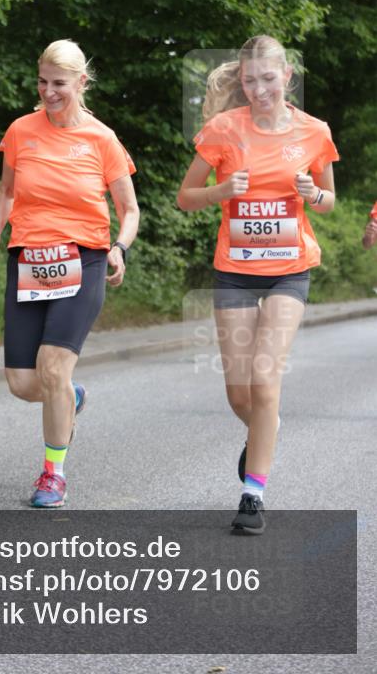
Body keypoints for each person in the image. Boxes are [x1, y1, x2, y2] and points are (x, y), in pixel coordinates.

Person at [177, 35, 339, 534]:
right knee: (240, 393)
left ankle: (253, 494)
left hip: (290, 269)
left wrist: (314, 193)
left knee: (266, 380)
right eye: (249, 80)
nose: (259, 89)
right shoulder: (223, 129)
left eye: (268, 79)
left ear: (287, 75)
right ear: (240, 80)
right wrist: (223, 191)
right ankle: (265, 428)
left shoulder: (314, 132)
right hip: (235, 271)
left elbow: (330, 198)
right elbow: (186, 197)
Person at [0, 39, 139, 508]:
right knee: (23, 383)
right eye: (43, 82)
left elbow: (129, 208)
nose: (48, 92)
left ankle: (53, 474)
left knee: (51, 368)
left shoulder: (101, 139)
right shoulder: (20, 131)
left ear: (81, 83)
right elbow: (6, 191)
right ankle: (70, 395)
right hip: (29, 260)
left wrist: (119, 247)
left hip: (83, 259)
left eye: (59, 84)